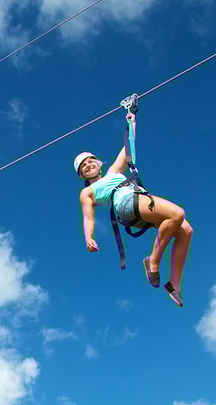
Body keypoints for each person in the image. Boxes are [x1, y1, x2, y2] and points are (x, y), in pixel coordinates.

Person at [75, 110, 192, 307]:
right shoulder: (87, 192)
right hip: (126, 203)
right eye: (83, 167)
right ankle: (153, 260)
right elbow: (88, 217)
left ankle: (174, 284)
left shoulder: (114, 171)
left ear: (98, 163)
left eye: (90, 161)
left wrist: (131, 122)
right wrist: (89, 237)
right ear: (81, 176)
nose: (88, 165)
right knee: (177, 213)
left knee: (186, 230)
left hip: (140, 201)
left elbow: (128, 145)